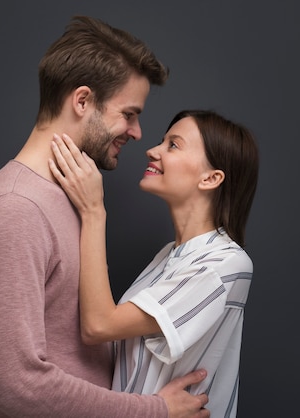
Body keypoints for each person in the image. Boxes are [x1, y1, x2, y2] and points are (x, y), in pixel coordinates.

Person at [0, 15, 210, 418]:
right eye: (129, 113)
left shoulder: (71, 196)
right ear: (82, 101)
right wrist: (154, 411)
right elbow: (19, 387)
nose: (138, 132)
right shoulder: (14, 210)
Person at [48, 109, 260, 418]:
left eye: (173, 145)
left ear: (211, 178)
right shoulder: (168, 255)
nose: (152, 150)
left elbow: (99, 325)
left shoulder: (226, 264)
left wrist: (94, 211)